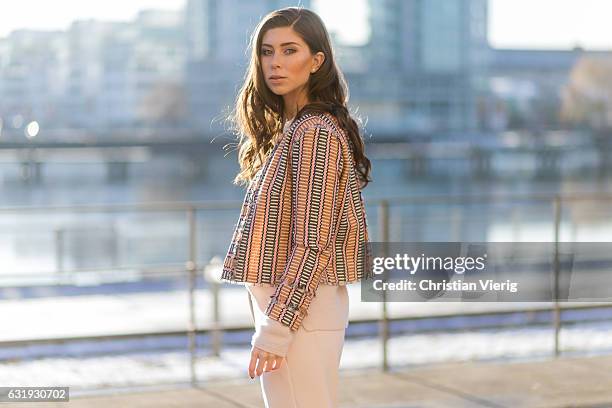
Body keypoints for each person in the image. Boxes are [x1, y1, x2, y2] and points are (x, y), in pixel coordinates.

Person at [221, 6, 373, 407]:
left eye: (290, 50)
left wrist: (276, 328)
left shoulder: (314, 132)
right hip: (294, 312)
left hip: (299, 316)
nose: (275, 62)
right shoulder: (293, 129)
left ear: (316, 61)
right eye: (267, 51)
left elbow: (313, 241)